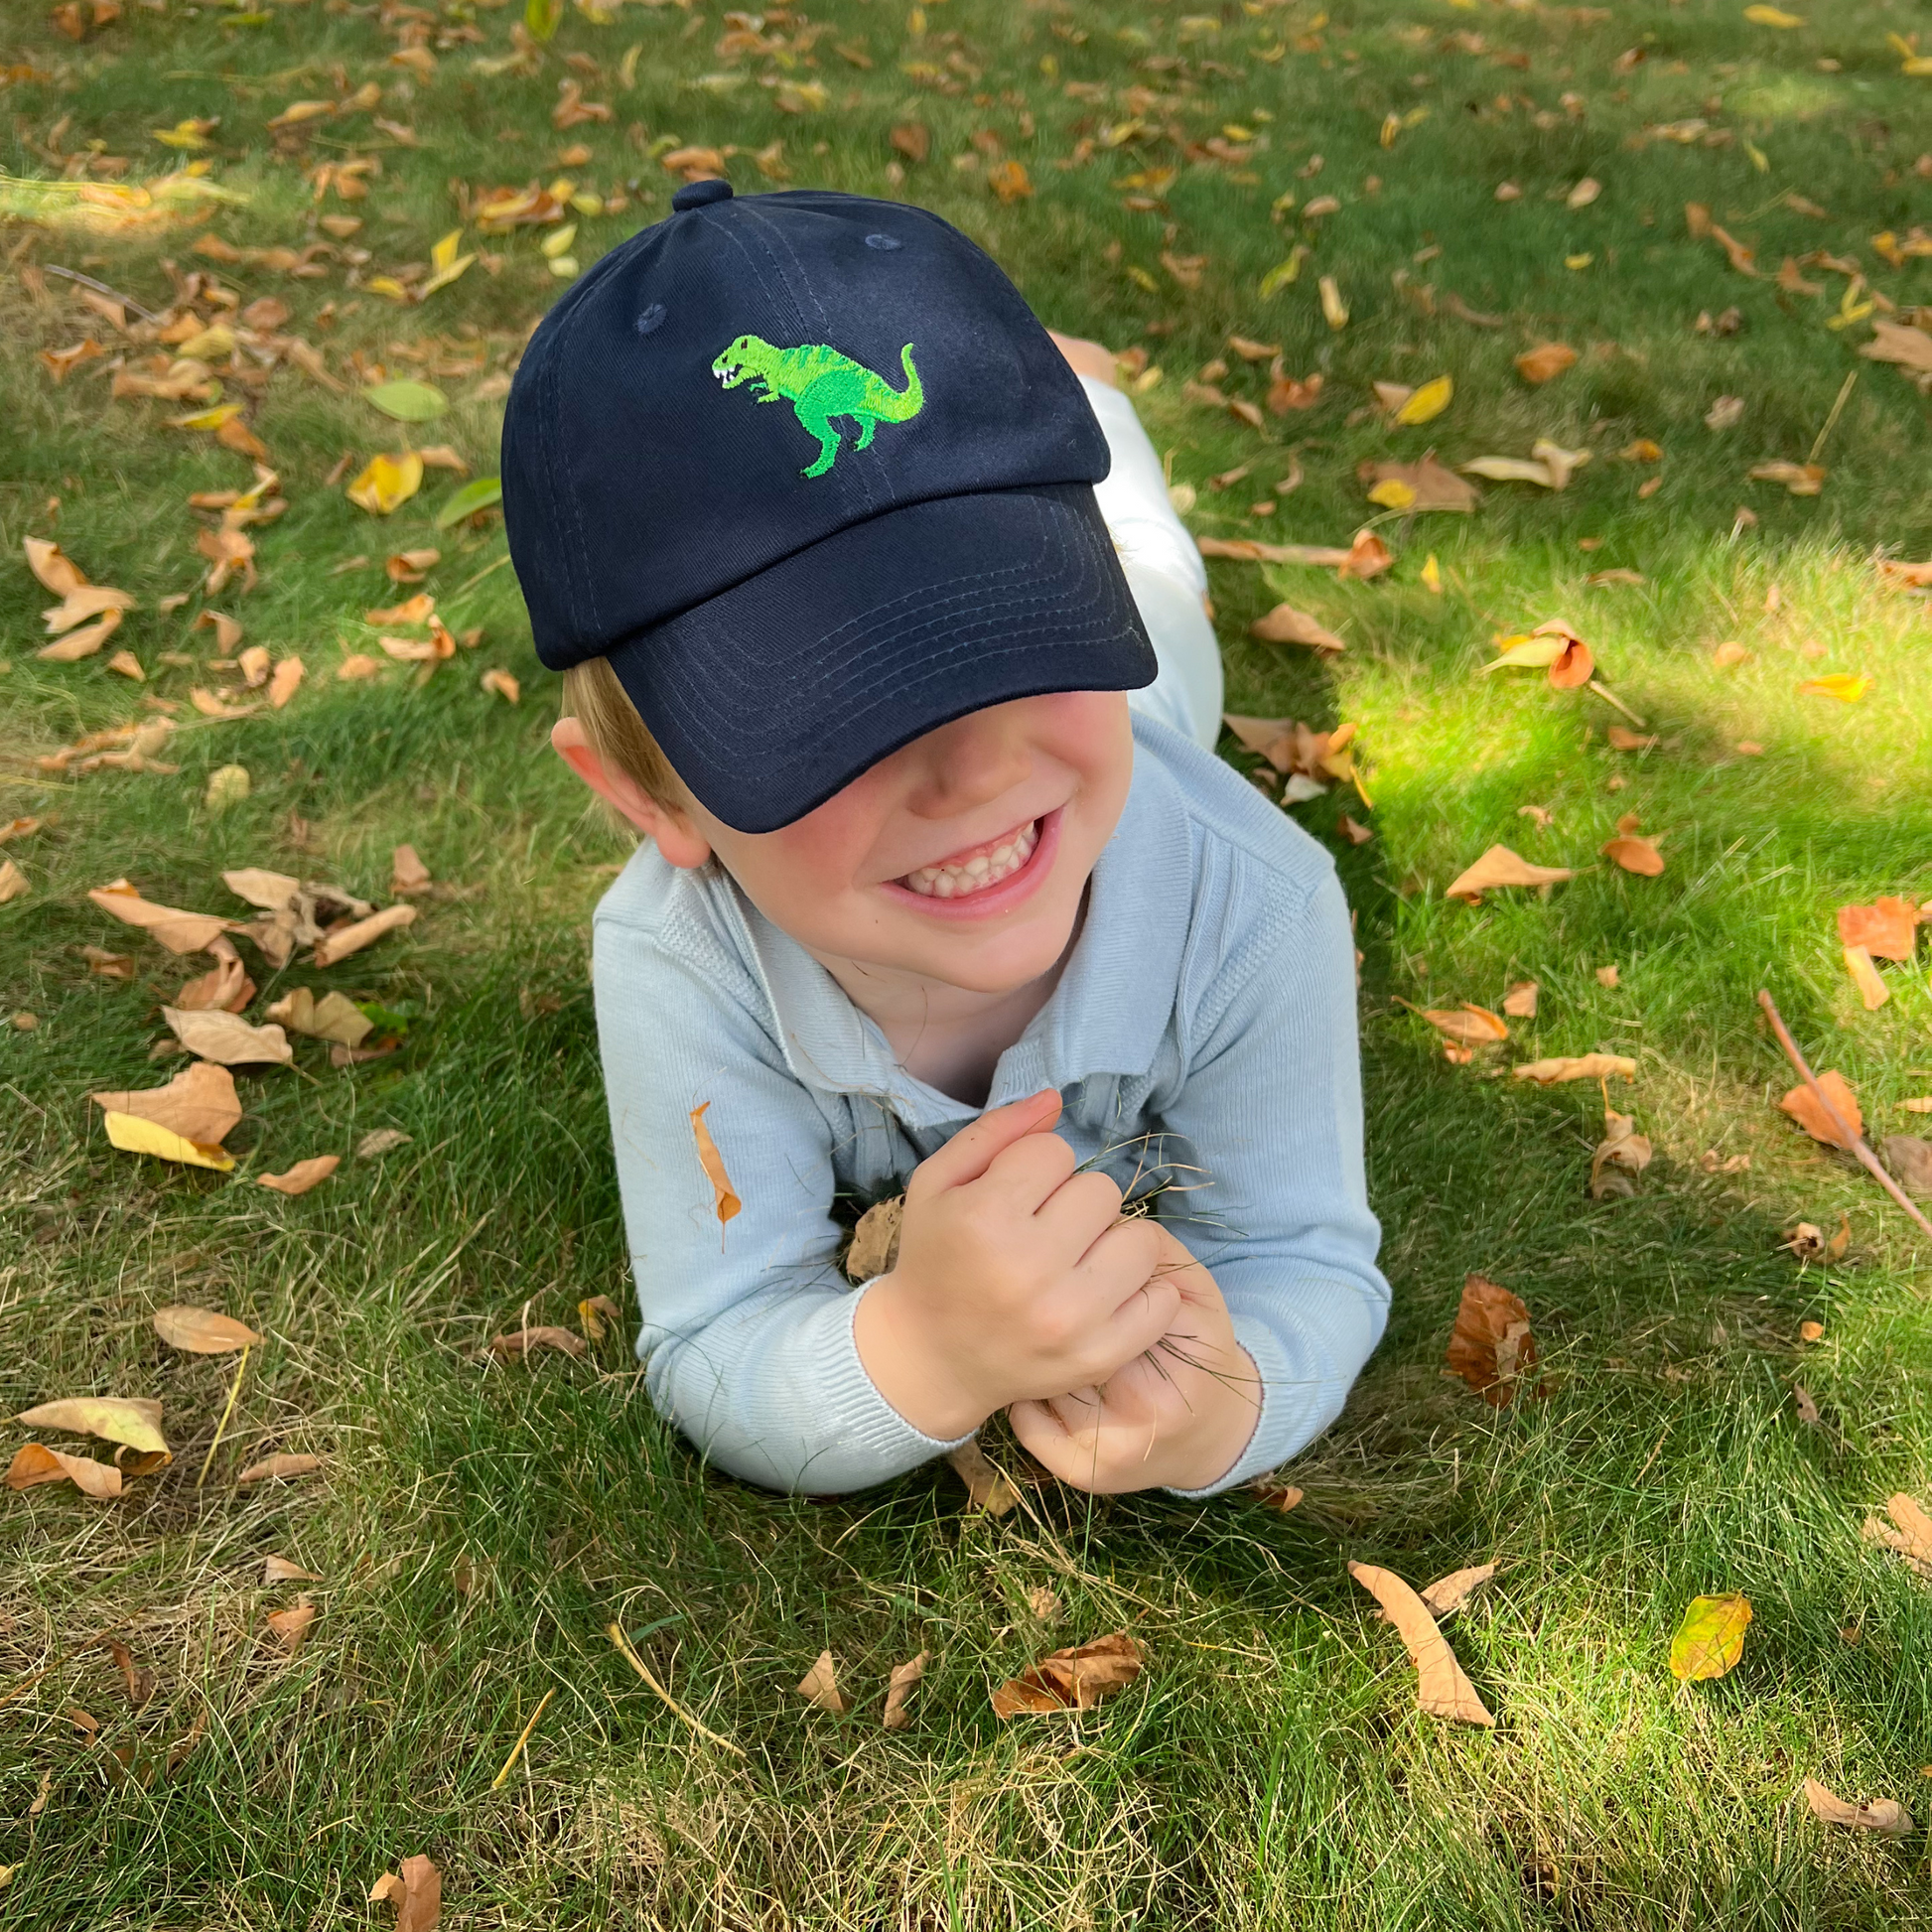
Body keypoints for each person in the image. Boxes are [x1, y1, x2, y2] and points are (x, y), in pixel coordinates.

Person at [500, 181, 1388, 1499]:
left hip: (1153, 717)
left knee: (1157, 580)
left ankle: (1095, 427)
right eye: (835, 712)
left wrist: (1222, 1406)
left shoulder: (1255, 897)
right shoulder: (676, 958)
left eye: (1024, 627)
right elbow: (713, 1333)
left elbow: (1304, 1257)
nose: (975, 767)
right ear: (653, 799)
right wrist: (921, 1351)